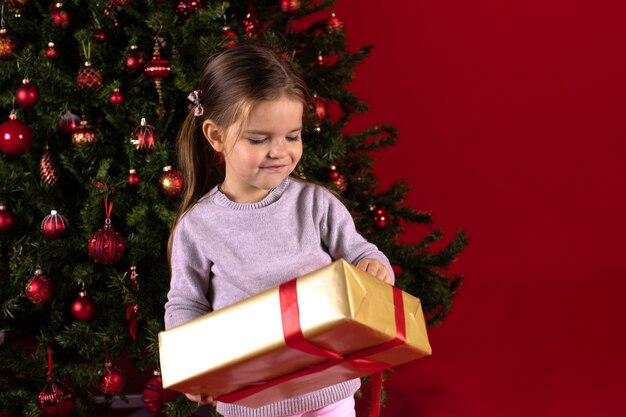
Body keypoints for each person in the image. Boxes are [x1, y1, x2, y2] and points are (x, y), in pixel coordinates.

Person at [164, 42, 394, 417]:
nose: (280, 152)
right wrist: (194, 368)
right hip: (252, 399)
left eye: (293, 136)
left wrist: (374, 265)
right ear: (216, 136)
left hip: (329, 388)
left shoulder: (316, 204)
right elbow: (186, 304)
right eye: (259, 139)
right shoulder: (199, 226)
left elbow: (361, 252)